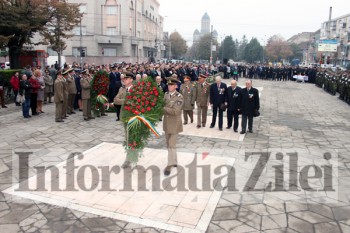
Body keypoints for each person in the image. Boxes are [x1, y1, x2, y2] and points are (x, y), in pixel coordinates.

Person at [163, 76, 184, 176]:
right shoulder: (166, 95)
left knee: (171, 144)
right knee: (169, 144)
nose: (169, 86)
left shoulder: (179, 97)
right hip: (167, 123)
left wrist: (163, 108)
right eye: (168, 84)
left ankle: (169, 165)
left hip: (175, 124)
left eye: (171, 85)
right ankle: (174, 161)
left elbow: (175, 111)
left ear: (175, 86)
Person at [113, 73, 134, 169]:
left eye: (126, 78)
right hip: (124, 116)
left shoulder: (136, 90)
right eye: (124, 78)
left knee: (132, 137)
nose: (124, 80)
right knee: (128, 138)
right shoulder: (121, 89)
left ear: (131, 80)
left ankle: (130, 158)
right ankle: (130, 158)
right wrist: (126, 101)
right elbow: (116, 100)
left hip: (134, 116)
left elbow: (135, 102)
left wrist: (125, 101)